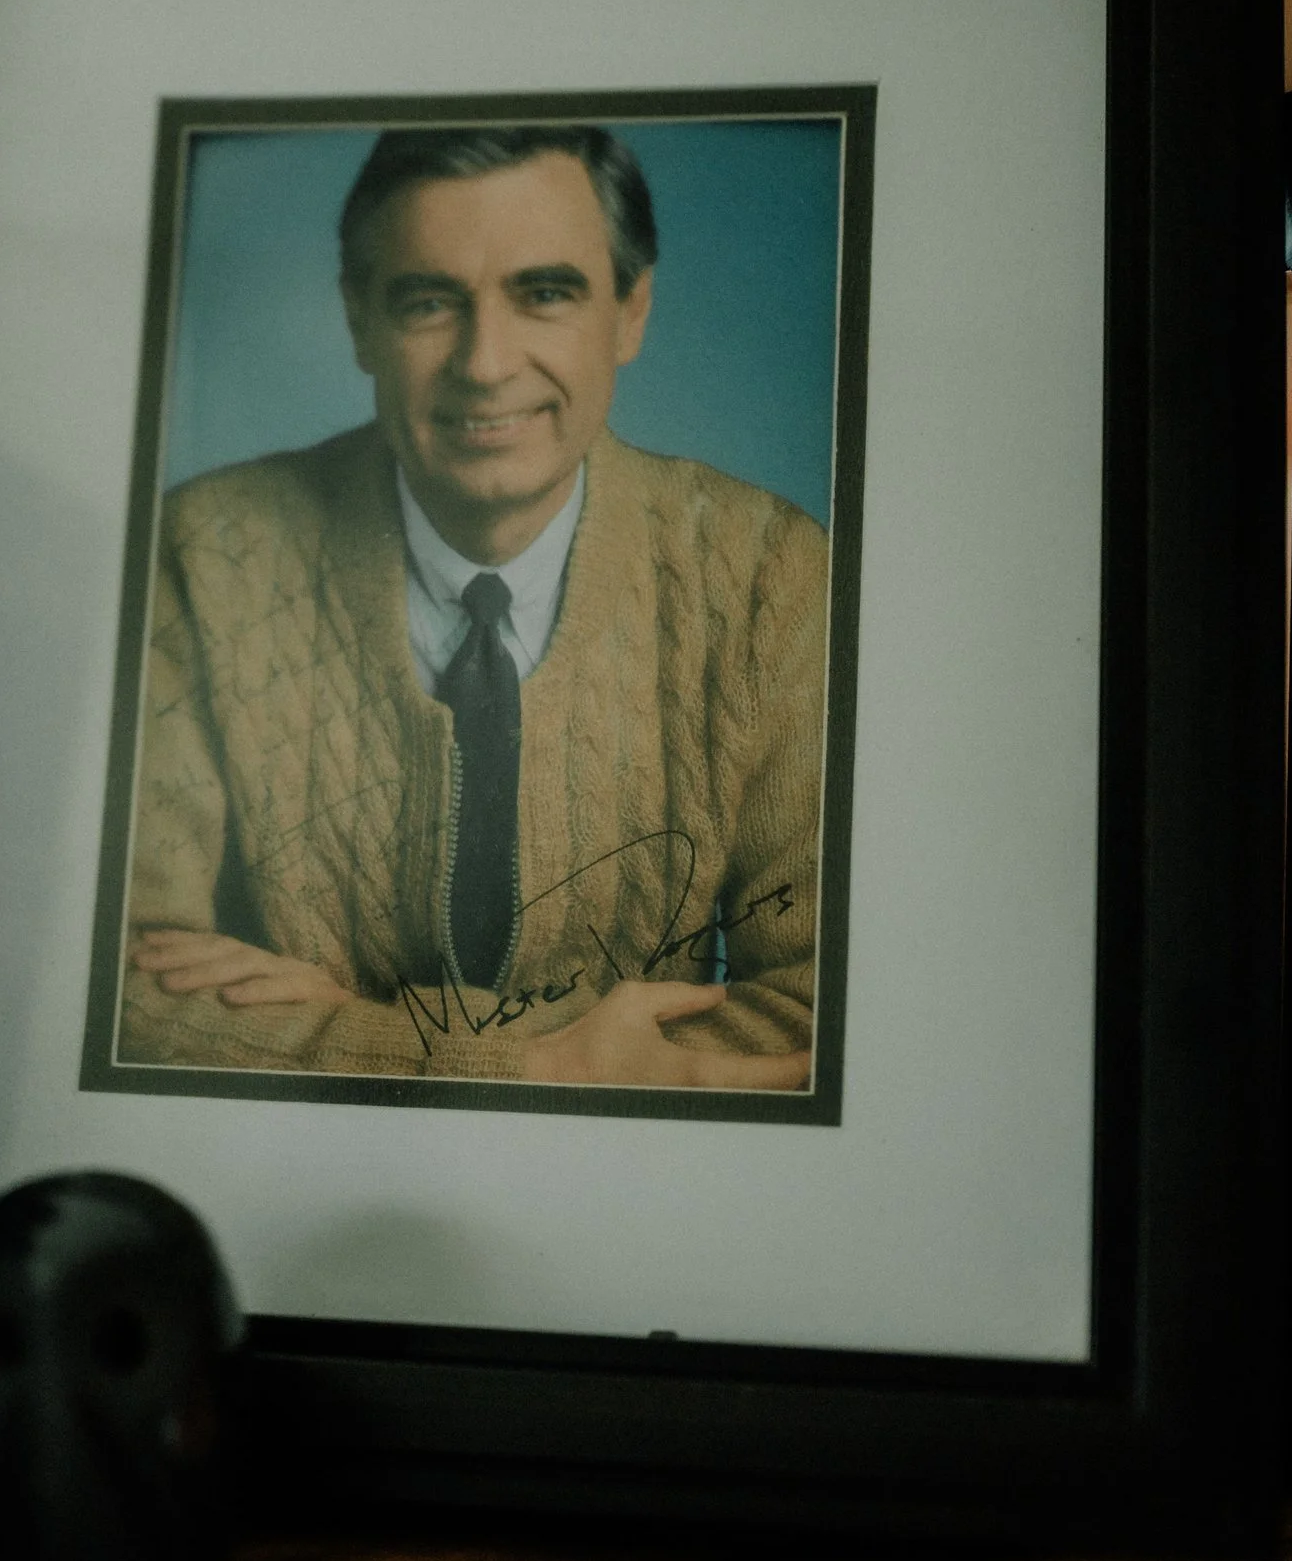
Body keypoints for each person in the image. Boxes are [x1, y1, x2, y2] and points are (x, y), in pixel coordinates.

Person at [116, 124, 823, 1090]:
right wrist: (533, 1061)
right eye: (429, 301)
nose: (486, 364)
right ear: (360, 321)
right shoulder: (201, 554)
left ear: (630, 312)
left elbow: (819, 1008)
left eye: (543, 294)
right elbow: (121, 988)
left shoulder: (771, 574)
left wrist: (352, 1032)